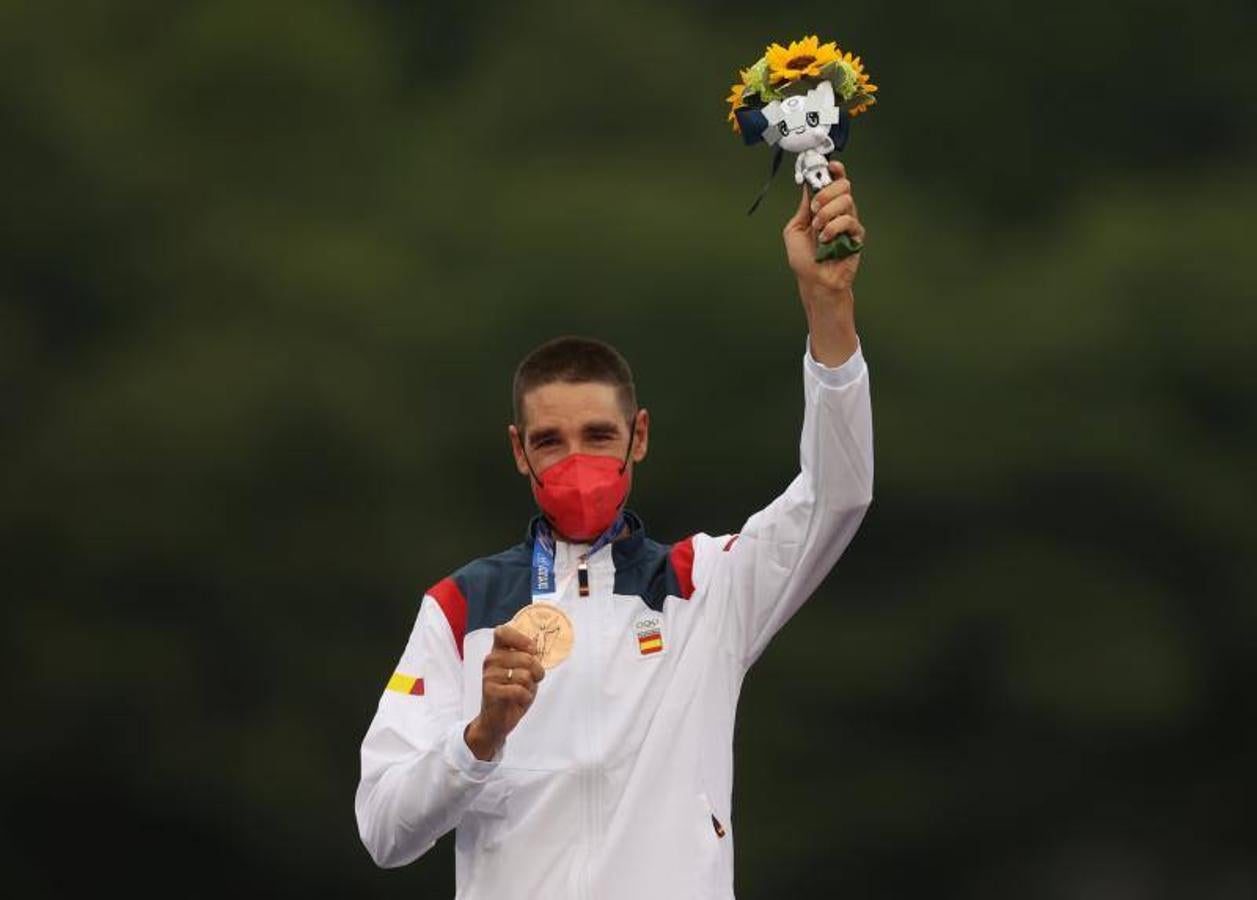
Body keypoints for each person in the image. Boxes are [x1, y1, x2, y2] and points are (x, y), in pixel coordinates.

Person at [355, 160, 874, 899]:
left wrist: (828, 302)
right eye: (549, 442)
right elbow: (383, 830)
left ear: (638, 436)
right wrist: (478, 738)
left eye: (598, 437)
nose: (576, 462)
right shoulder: (461, 608)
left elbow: (838, 492)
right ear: (516, 450)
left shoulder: (707, 586)